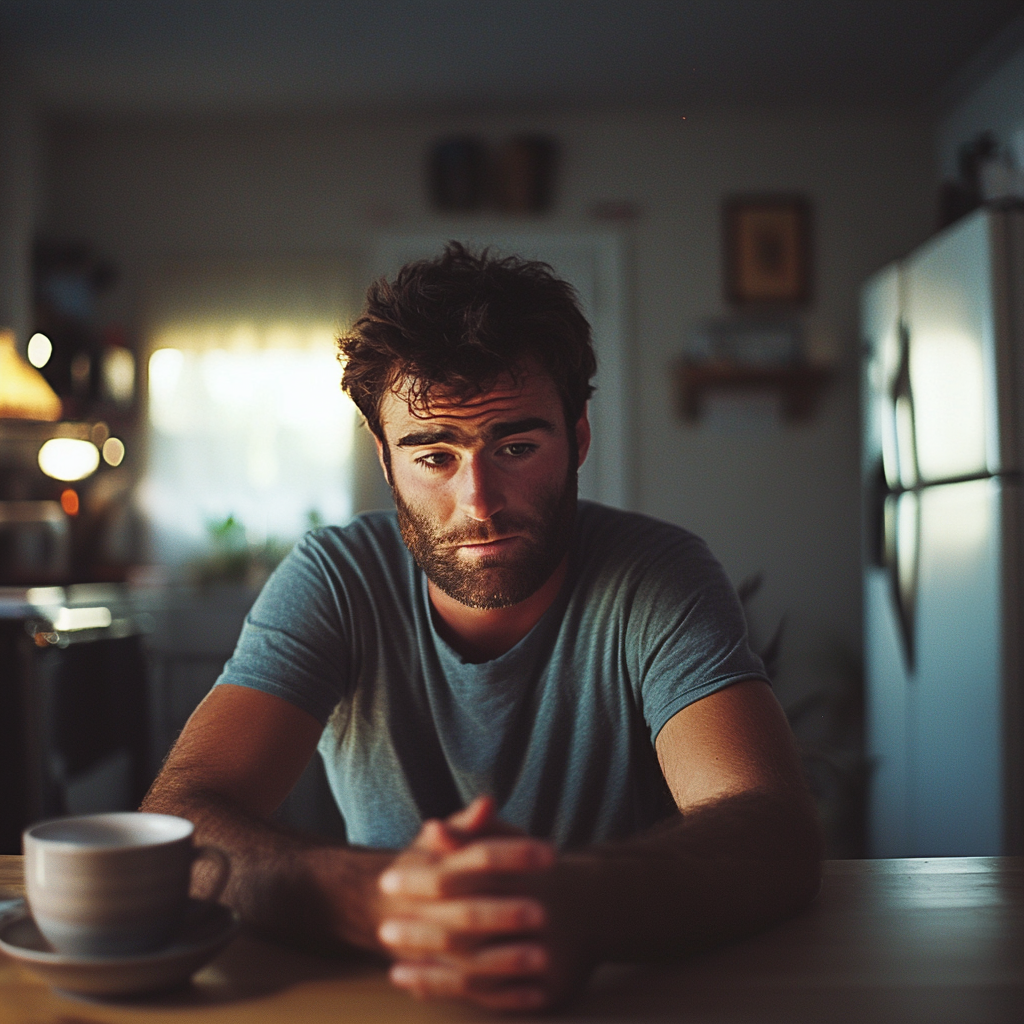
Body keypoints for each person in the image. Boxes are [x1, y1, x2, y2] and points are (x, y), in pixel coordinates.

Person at [142, 243, 822, 1011]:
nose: (480, 502)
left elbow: (772, 829)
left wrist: (573, 905)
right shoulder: (336, 576)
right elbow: (177, 819)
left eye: (517, 446)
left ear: (580, 439)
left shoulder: (658, 574)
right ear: (385, 460)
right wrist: (380, 900)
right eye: (433, 456)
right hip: (397, 994)